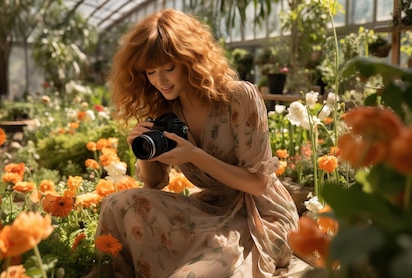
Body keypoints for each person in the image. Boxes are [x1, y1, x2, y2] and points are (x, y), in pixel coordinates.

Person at [92, 8, 299, 278]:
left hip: (260, 216)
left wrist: (195, 155)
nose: (160, 81)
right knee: (117, 203)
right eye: (151, 72)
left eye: (169, 68)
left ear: (191, 60)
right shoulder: (165, 109)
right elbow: (155, 184)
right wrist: (143, 150)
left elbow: (258, 183)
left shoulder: (239, 97)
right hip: (211, 208)